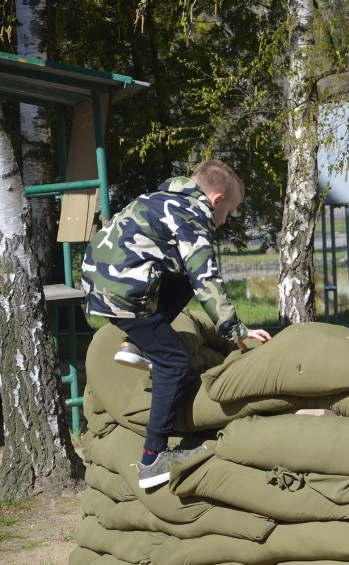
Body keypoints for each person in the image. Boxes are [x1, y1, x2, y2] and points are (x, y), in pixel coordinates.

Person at [81, 159, 272, 488]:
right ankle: (152, 459)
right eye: (229, 211)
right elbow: (207, 280)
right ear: (216, 201)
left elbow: (185, 273)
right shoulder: (194, 217)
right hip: (125, 291)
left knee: (182, 277)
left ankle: (137, 345)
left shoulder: (162, 198)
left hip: (99, 279)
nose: (226, 221)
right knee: (175, 363)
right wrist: (238, 332)